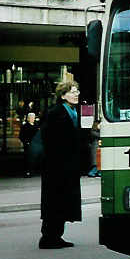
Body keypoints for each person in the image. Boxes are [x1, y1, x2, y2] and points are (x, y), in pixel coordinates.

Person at [39, 80, 85, 249]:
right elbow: (52, 141)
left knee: (61, 201)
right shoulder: (56, 113)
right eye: (73, 91)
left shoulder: (71, 112)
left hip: (66, 165)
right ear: (63, 95)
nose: (77, 94)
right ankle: (49, 237)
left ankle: (56, 235)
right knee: (55, 201)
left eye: (77, 91)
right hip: (56, 166)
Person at [19, 112, 38, 177]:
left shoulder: (36, 125)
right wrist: (26, 142)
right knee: (27, 158)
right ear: (28, 118)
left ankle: (32, 171)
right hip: (28, 145)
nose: (33, 119)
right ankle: (27, 171)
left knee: (34, 158)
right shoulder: (25, 126)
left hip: (35, 144)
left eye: (34, 117)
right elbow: (21, 136)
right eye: (32, 117)